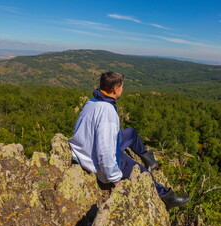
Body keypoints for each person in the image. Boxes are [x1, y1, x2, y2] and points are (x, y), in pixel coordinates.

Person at [68, 71, 191, 209]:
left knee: (130, 133)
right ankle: (167, 198)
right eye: (122, 87)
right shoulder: (107, 112)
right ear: (115, 89)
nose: (122, 89)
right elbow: (105, 150)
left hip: (89, 146)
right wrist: (114, 178)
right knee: (143, 173)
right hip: (96, 156)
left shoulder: (93, 101)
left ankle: (148, 158)